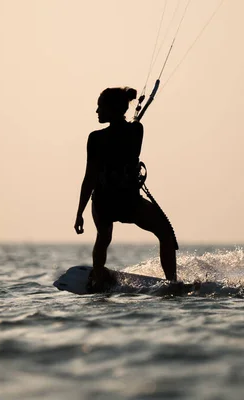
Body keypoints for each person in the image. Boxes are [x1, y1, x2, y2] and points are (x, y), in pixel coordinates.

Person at [74, 87, 177, 291]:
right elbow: (130, 134)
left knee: (103, 237)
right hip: (128, 202)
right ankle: (172, 283)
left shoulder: (95, 138)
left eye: (100, 107)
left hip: (105, 202)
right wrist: (131, 123)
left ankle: (99, 278)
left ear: (112, 109)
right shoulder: (136, 130)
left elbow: (90, 178)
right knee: (165, 234)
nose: (97, 111)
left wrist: (79, 213)